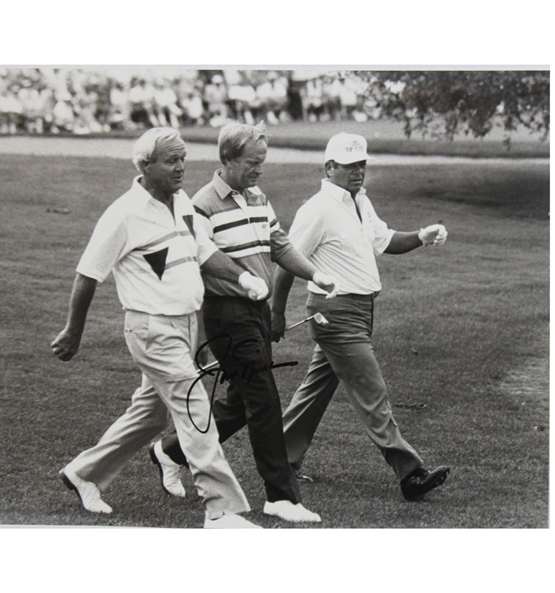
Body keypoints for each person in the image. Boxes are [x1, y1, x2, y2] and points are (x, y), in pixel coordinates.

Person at [52, 127, 270, 528]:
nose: (182, 167)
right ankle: (221, 511)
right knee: (195, 409)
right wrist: (73, 331)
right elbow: (88, 274)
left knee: (151, 417)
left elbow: (202, 250)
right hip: (152, 330)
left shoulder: (181, 200)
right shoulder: (124, 214)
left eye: (183, 158)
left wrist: (242, 279)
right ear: (145, 165)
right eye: (172, 161)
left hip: (185, 325)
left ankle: (82, 472)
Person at [150, 122, 338, 523]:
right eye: (253, 163)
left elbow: (279, 244)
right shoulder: (201, 205)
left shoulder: (257, 195)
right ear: (228, 159)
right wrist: (243, 280)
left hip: (254, 312)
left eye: (262, 163)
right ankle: (281, 496)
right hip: (227, 314)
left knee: (240, 403)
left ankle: (169, 451)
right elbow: (203, 259)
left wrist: (313, 273)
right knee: (265, 399)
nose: (259, 170)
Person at [271, 132, 450, 501]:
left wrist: (422, 235)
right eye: (350, 164)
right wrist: (275, 312)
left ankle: (279, 460)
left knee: (314, 392)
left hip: (360, 311)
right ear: (330, 167)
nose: (358, 171)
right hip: (335, 313)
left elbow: (385, 241)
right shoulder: (317, 209)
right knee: (372, 391)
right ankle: (410, 473)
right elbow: (287, 263)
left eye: (362, 163)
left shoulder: (360, 202)